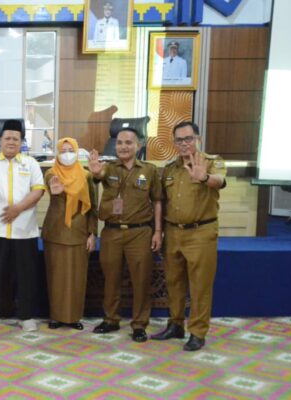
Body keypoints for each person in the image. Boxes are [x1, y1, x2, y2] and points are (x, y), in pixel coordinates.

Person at [151, 121, 226, 351]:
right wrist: (159, 231)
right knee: (174, 282)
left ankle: (197, 332)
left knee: (200, 286)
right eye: (179, 140)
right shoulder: (170, 169)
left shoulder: (212, 162)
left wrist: (204, 177)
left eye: (188, 139)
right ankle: (175, 324)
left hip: (200, 232)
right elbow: (162, 202)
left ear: (198, 139)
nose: (184, 144)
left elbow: (220, 181)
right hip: (173, 232)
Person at [88, 128, 163, 342]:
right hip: (112, 232)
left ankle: (139, 325)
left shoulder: (149, 170)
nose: (123, 146)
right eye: (119, 142)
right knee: (111, 279)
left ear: (138, 145)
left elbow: (158, 201)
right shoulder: (108, 167)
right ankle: (111, 319)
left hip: (140, 232)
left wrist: (158, 231)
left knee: (141, 280)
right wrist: (95, 171)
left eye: (128, 142)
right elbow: (98, 175)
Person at [0, 120, 45, 332]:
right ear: (0, 141)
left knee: (26, 275)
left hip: (24, 230)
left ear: (21, 142)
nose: (11, 142)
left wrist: (18, 208)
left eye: (16, 138)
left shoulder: (31, 163)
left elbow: (38, 190)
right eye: (7, 138)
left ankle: (26, 316)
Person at [42, 138, 97, 330]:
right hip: (56, 231)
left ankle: (74, 317)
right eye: (63, 150)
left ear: (77, 152)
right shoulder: (51, 173)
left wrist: (92, 233)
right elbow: (51, 183)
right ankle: (56, 316)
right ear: (57, 154)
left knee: (77, 277)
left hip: (79, 231)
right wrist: (54, 188)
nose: (67, 154)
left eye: (70, 150)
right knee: (55, 276)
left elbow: (93, 207)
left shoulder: (86, 175)